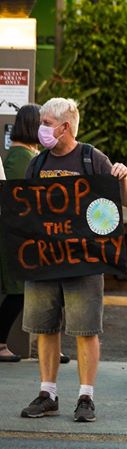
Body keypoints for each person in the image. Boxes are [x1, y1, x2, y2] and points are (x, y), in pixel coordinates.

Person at [19, 98, 127, 423]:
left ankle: (86, 396)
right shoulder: (37, 163)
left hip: (83, 261)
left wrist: (122, 178)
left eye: (46, 122)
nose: (41, 128)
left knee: (86, 330)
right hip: (45, 260)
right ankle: (48, 393)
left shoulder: (91, 158)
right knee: (45, 328)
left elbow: (126, 200)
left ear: (65, 126)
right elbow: (23, 208)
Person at [0, 104, 33, 362]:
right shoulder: (22, 158)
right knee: (17, 290)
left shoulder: (19, 155)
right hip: (17, 236)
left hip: (17, 235)